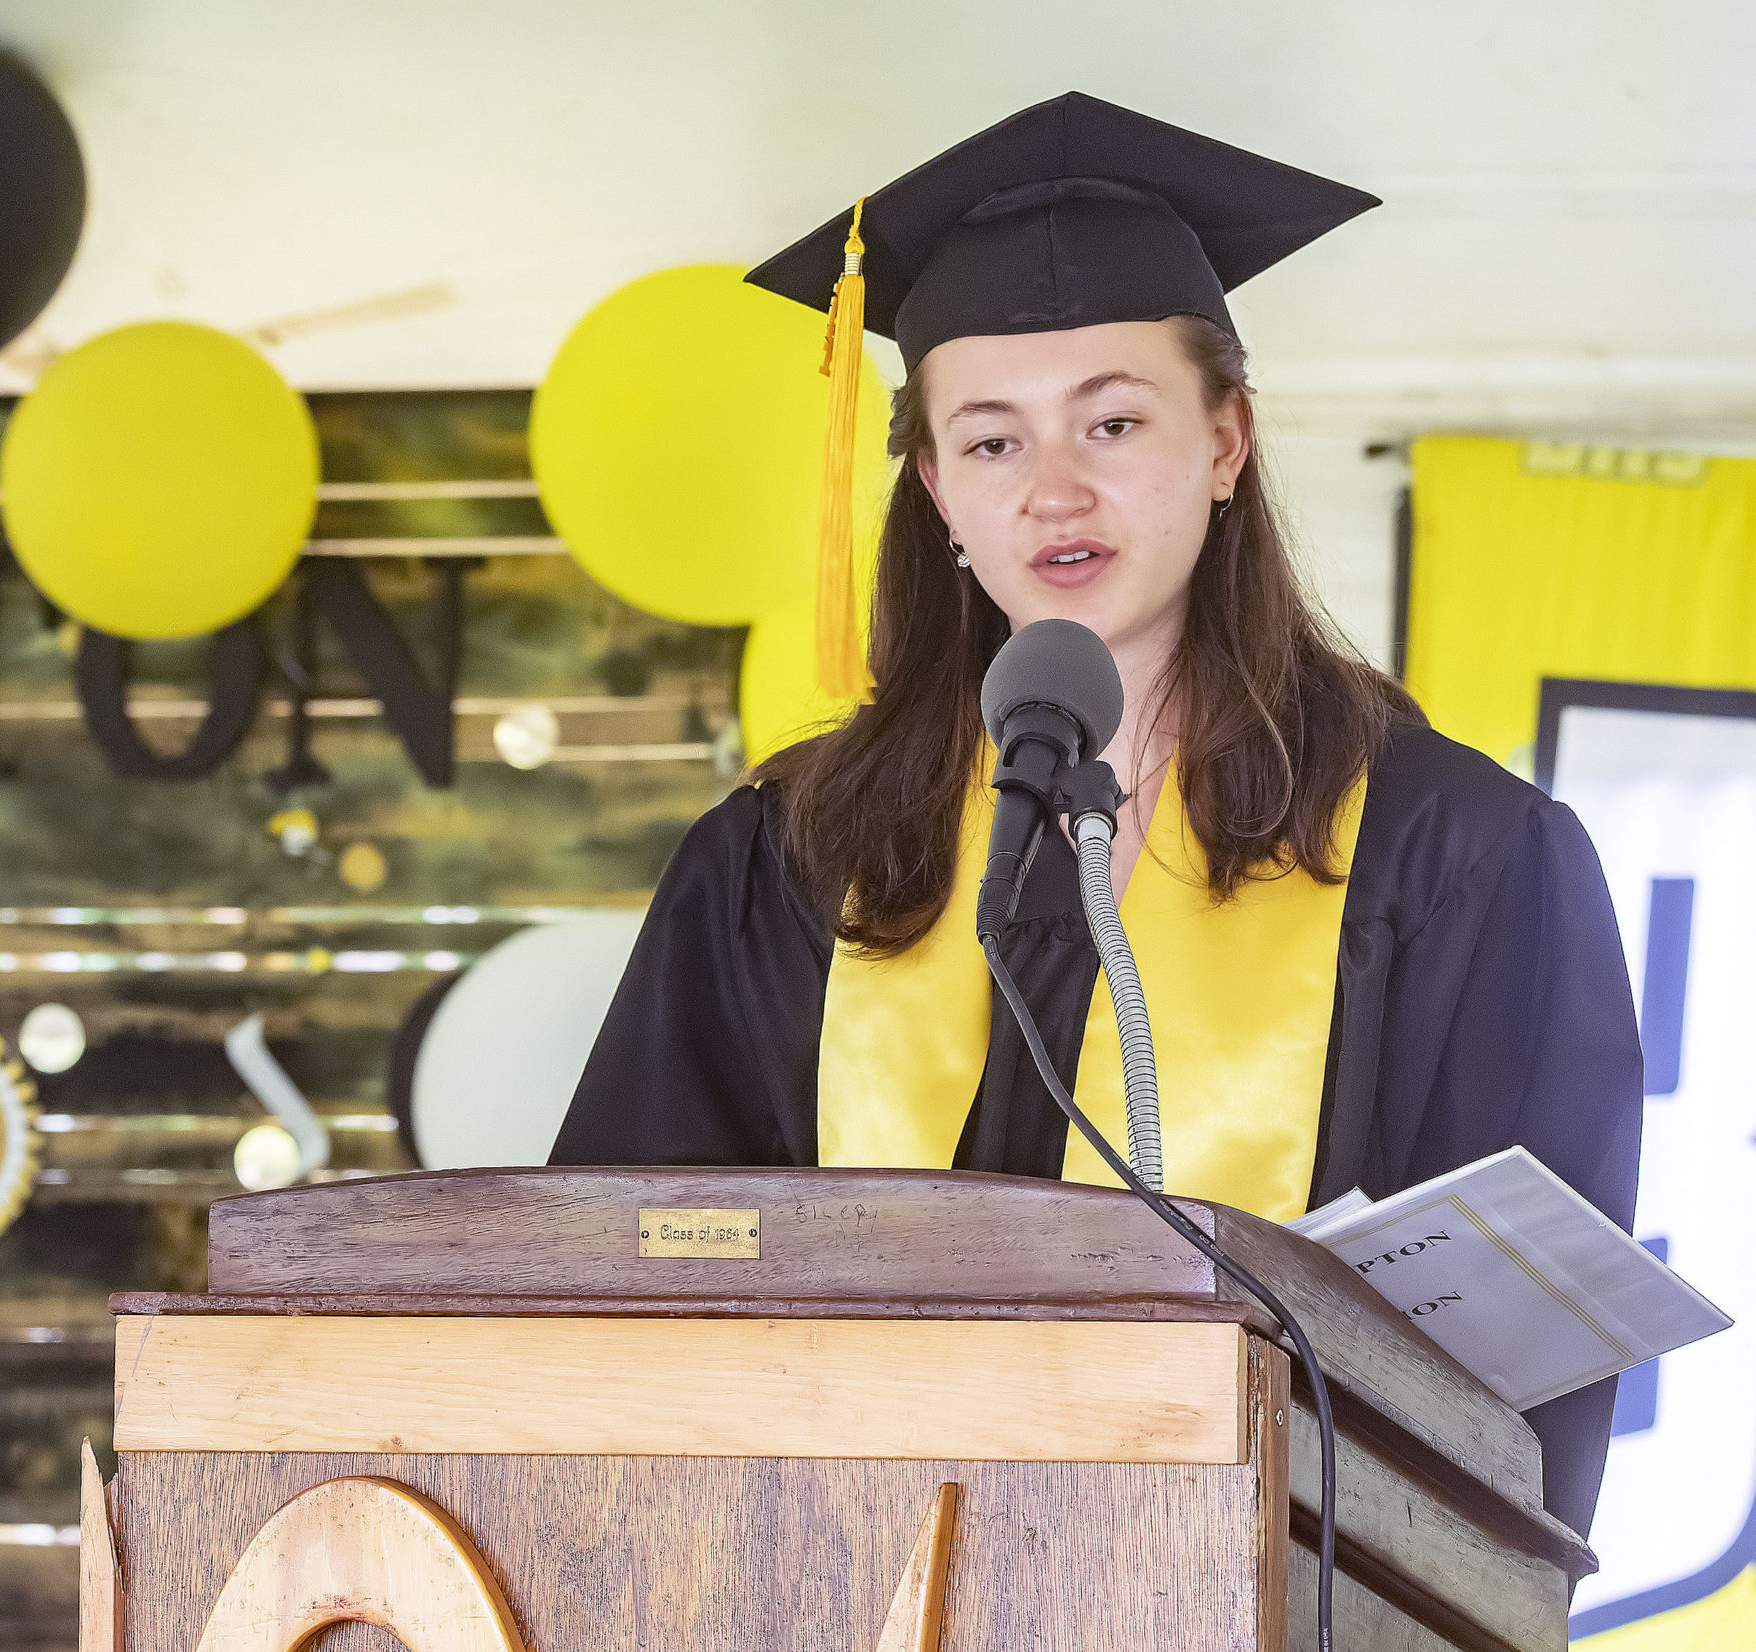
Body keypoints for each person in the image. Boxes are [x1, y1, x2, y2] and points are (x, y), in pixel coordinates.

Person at [549, 92, 1642, 1539]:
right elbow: (613, 1297)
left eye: (1114, 420)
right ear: (934, 485)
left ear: (1229, 440)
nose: (1055, 488)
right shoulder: (786, 864)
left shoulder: (1458, 861)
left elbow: (1519, 1392)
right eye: (991, 442)